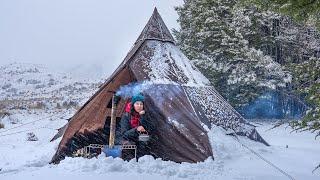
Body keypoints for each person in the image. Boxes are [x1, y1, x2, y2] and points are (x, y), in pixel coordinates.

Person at [120, 93, 155, 160]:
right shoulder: (126, 116)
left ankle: (142, 160)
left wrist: (142, 117)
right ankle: (131, 161)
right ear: (133, 105)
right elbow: (124, 134)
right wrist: (136, 129)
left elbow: (150, 129)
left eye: (141, 104)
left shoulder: (145, 115)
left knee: (145, 140)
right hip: (130, 138)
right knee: (129, 146)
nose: (139, 106)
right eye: (137, 104)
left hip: (141, 139)